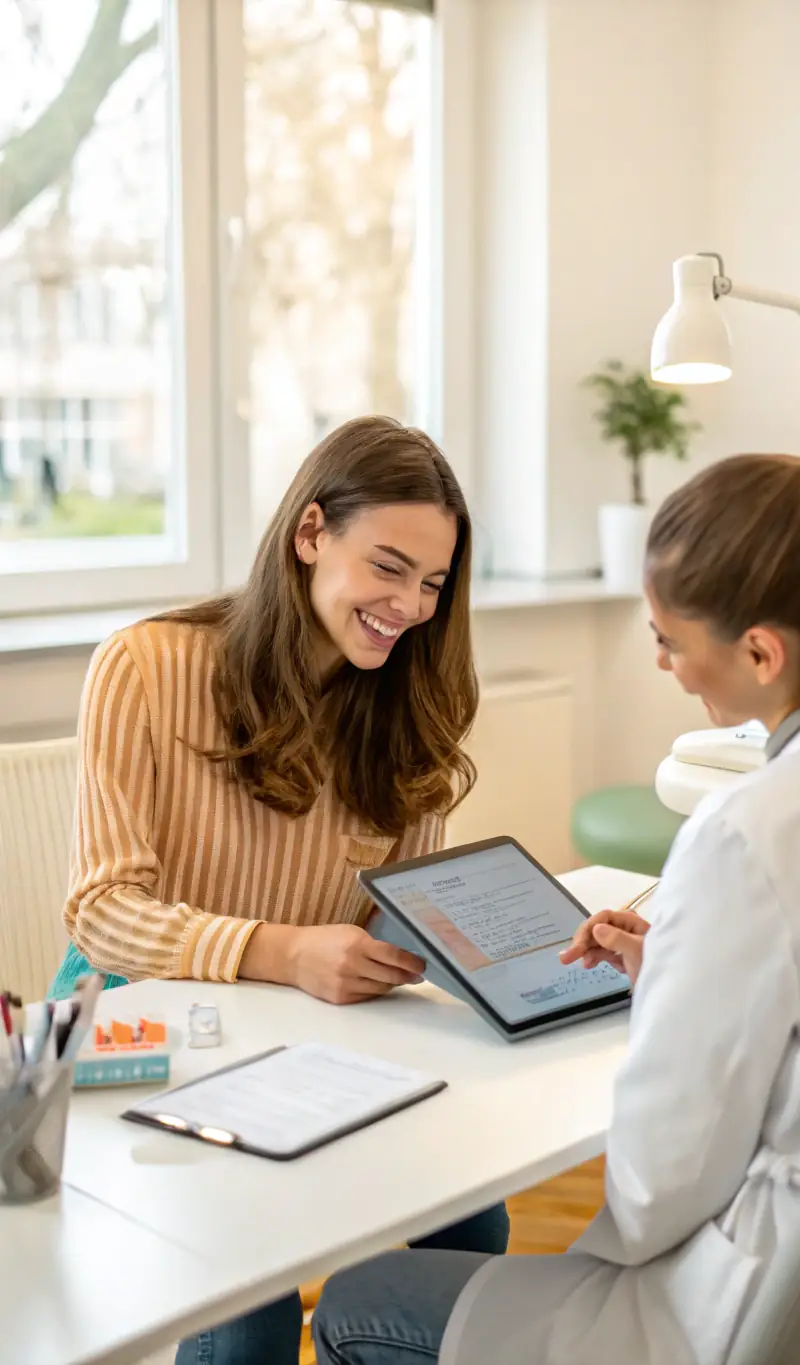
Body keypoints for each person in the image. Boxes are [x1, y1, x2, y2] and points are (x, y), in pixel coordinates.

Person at [311, 446, 800, 1365]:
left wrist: (682, 1001)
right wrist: (680, 970)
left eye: (670, 640)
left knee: (362, 1300)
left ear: (762, 651)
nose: (663, 664)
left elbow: (656, 1191)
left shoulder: (750, 832)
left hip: (773, 1310)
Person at [51, 415, 509, 1365]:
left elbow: (396, 907)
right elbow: (102, 912)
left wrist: (488, 944)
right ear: (310, 534)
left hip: (303, 1033)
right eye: (388, 567)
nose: (410, 606)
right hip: (142, 1031)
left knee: (475, 1222)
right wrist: (283, 950)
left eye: (432, 583)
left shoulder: (405, 697)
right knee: (251, 1296)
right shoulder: (146, 668)